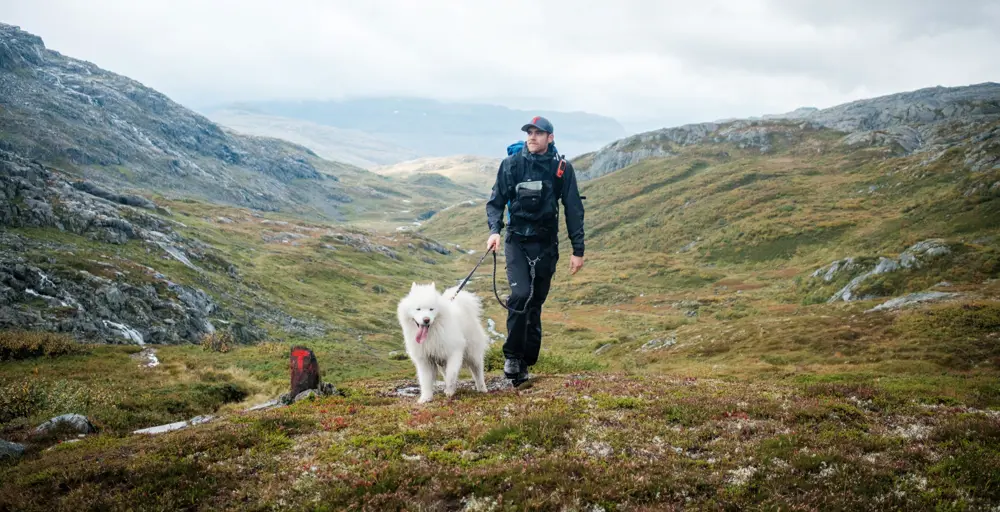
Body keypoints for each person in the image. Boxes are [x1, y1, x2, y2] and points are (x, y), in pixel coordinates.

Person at [485, 115, 585, 386]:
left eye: (538, 133)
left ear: (550, 138)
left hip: (546, 245)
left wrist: (578, 250)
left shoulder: (561, 168)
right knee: (519, 296)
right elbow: (496, 202)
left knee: (535, 303)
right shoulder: (511, 165)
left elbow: (573, 208)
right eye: (529, 132)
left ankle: (527, 362)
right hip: (516, 242)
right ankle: (512, 357)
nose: (532, 137)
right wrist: (494, 230)